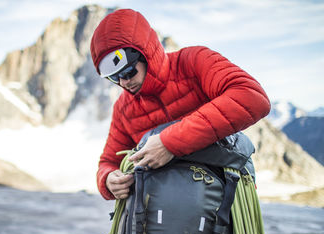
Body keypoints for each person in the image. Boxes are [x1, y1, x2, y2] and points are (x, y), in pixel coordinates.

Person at [90, 9, 270, 201]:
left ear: (145, 54)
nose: (123, 83)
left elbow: (252, 97)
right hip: (161, 210)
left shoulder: (194, 62)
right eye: (114, 78)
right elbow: (109, 162)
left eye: (128, 72)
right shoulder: (123, 108)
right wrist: (108, 179)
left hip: (221, 200)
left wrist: (170, 143)